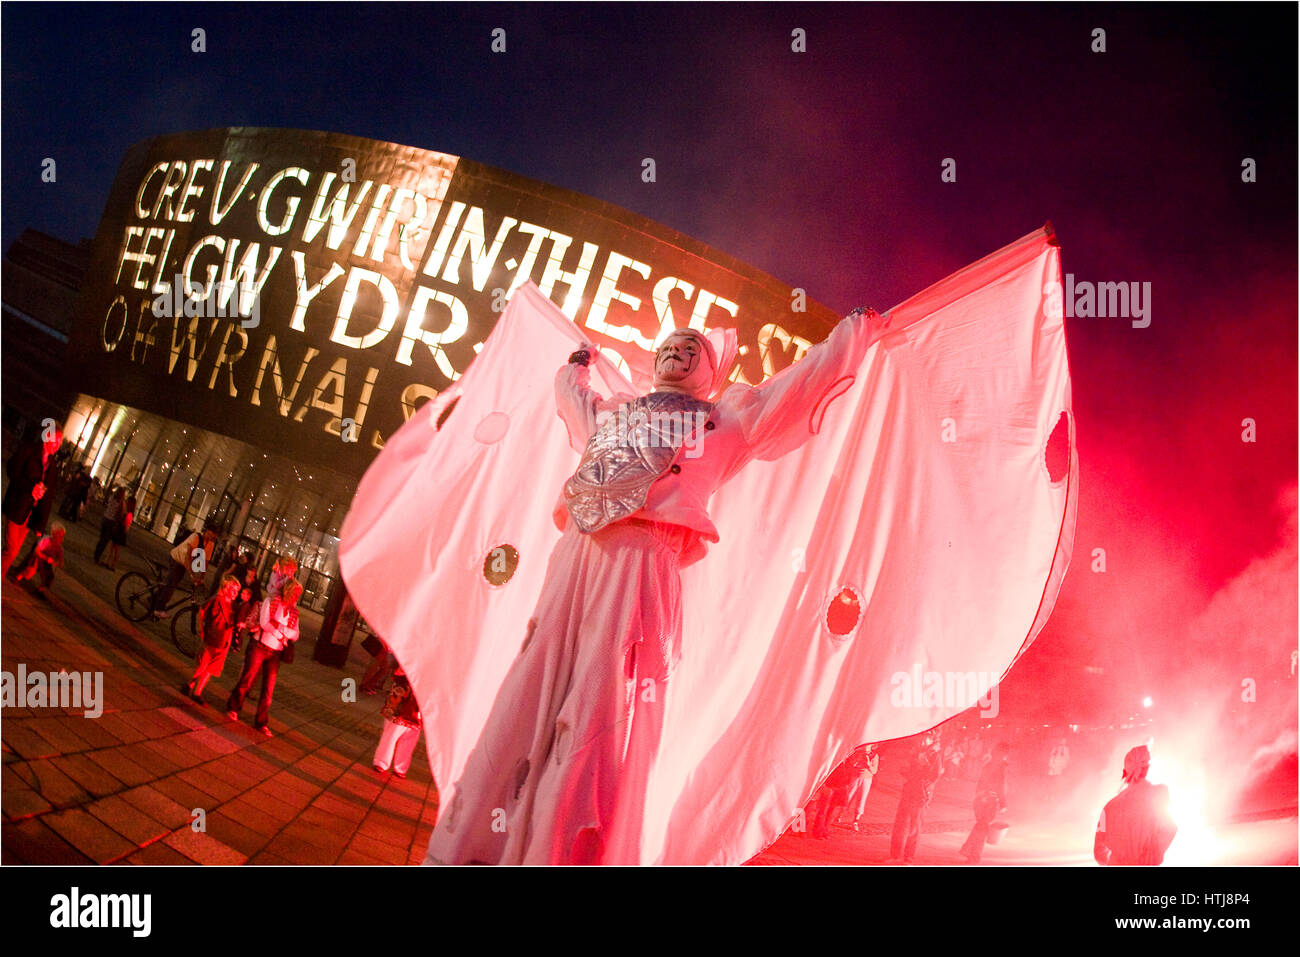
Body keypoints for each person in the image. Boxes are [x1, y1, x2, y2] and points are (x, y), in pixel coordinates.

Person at [425, 310, 882, 865]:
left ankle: (566, 847)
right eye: (671, 344)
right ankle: (487, 843)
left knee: (604, 698)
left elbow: (799, 384)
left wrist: (850, 334)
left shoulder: (728, 418)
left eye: (692, 349)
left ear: (710, 373)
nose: (677, 352)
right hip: (576, 554)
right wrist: (578, 365)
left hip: (643, 561)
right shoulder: (618, 415)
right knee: (532, 681)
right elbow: (574, 402)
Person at [226, 579, 302, 736]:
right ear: (287, 591)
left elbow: (295, 634)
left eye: (298, 594)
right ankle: (233, 707)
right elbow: (265, 623)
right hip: (260, 645)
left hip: (276, 652)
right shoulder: (272, 601)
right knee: (248, 678)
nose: (296, 597)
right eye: (295, 593)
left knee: (268, 689)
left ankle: (261, 721)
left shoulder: (294, 611)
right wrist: (282, 633)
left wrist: (279, 630)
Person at [1094, 745, 1178, 866]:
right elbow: (1170, 828)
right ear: (1147, 769)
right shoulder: (1158, 795)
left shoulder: (1110, 807)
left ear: (1125, 771)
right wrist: (1152, 855)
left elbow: (1099, 851)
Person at [2, 425, 62, 578]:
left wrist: (40, 525)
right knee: (12, 549)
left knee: (13, 552)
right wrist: (31, 487)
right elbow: (12, 470)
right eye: (56, 441)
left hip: (30, 514)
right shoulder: (29, 450)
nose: (57, 446)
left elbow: (48, 498)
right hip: (17, 507)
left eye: (60, 443)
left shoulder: (52, 465)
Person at [184, 575, 241, 706]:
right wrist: (201, 629)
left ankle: (197, 691)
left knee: (211, 668)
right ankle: (190, 685)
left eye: (237, 591)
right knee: (202, 665)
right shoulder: (216, 600)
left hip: (224, 640)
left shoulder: (234, 606)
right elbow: (202, 611)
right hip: (212, 638)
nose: (235, 593)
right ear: (225, 587)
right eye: (233, 589)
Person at [890, 732, 944, 863]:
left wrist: (922, 770)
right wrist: (908, 772)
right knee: (900, 824)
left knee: (915, 827)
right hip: (909, 790)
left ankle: (908, 857)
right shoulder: (917, 752)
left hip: (921, 794)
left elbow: (934, 775)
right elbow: (910, 769)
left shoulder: (935, 755)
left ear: (932, 739)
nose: (921, 739)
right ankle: (895, 856)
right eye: (921, 736)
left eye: (925, 737)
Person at [151, 520, 219, 618]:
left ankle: (153, 599)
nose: (209, 537)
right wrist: (192, 574)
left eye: (212, 537)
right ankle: (158, 609)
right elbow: (188, 556)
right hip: (177, 559)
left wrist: (202, 577)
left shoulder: (210, 544)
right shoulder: (196, 537)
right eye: (208, 534)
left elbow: (205, 561)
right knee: (172, 585)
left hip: (184, 563)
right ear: (205, 531)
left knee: (171, 583)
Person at [810, 743, 877, 838]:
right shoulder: (835, 756)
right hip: (831, 784)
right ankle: (818, 831)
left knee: (832, 810)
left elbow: (851, 768)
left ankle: (825, 830)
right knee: (823, 810)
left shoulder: (853, 755)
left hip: (842, 785)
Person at [960, 741, 1009, 863]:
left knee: (980, 825)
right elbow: (1001, 786)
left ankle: (966, 848)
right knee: (983, 829)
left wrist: (979, 795)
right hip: (990, 800)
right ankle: (974, 857)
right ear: (1004, 754)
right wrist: (1003, 803)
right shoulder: (1002, 767)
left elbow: (981, 781)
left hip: (980, 799)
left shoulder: (988, 764)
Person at [373, 666, 423, 777]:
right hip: (402, 698)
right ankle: (381, 762)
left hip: (419, 703)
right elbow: (398, 671)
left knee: (410, 737)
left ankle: (400, 767)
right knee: (391, 733)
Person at [13, 524, 66, 594]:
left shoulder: (59, 548)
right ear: (54, 534)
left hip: (45, 562)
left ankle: (40, 590)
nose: (61, 538)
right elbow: (36, 551)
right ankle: (18, 578)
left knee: (49, 576)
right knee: (30, 569)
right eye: (60, 535)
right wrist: (46, 558)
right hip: (37, 557)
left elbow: (61, 562)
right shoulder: (46, 540)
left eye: (62, 536)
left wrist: (56, 562)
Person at [839, 743, 880, 830]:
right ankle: (840, 814)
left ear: (872, 746)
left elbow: (874, 771)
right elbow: (852, 764)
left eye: (869, 744)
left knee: (861, 799)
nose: (866, 746)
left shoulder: (874, 756)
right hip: (855, 777)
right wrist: (857, 760)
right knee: (849, 796)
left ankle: (855, 821)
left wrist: (868, 764)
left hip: (867, 779)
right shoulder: (857, 753)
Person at [93, 487, 126, 565]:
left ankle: (96, 554)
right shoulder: (120, 502)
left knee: (102, 539)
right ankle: (97, 557)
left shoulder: (112, 498)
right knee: (104, 541)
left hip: (105, 518)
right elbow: (119, 514)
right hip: (111, 522)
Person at [105, 494, 136, 571]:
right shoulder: (127, 511)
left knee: (115, 549)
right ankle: (108, 562)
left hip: (120, 531)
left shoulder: (129, 514)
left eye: (128, 501)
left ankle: (112, 564)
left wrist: (122, 520)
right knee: (112, 547)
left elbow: (126, 525)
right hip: (119, 530)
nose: (127, 502)